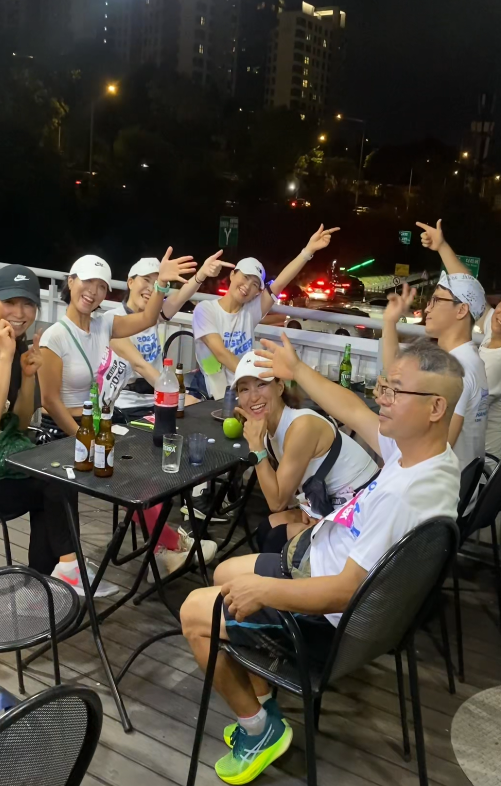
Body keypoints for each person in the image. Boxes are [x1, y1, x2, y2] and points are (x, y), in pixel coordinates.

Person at [181, 333, 462, 784]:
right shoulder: (425, 456)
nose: (381, 400)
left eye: (395, 392)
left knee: (195, 612)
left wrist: (266, 590)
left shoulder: (405, 496)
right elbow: (351, 408)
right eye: (384, 388)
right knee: (225, 572)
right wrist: (297, 370)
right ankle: (264, 701)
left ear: (435, 408)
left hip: (328, 618)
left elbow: (345, 592)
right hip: (317, 560)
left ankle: (258, 730)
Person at [0, 265, 95, 589]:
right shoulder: (5, 348)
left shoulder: (17, 345)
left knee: (57, 478)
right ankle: (66, 572)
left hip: (5, 467)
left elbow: (20, 423)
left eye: (28, 304)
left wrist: (28, 378)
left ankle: (46, 580)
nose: (19, 313)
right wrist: (4, 359)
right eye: (9, 302)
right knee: (54, 483)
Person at [231, 351, 378, 553]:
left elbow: (277, 502)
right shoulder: (268, 432)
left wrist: (256, 448)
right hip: (328, 502)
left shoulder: (301, 426)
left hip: (364, 508)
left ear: (280, 387)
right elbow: (289, 488)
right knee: (266, 527)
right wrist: (306, 505)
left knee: (276, 537)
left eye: (261, 384)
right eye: (244, 389)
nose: (253, 396)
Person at [38, 249, 197, 437]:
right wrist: (84, 437)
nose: (93, 291)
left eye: (101, 286)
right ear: (71, 282)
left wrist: (161, 284)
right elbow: (49, 401)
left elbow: (148, 318)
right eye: (88, 281)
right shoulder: (54, 336)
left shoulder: (104, 325)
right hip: (63, 431)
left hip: (99, 423)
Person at [381, 220, 488, 473]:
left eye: (436, 301)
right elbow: (395, 371)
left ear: (461, 310)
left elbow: (441, 448)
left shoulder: (459, 368)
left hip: (440, 488)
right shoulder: (457, 358)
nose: (427, 309)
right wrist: (389, 322)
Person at [192, 224, 339, 400]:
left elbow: (280, 283)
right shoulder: (205, 310)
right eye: (245, 277)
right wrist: (255, 380)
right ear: (232, 275)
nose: (247, 286)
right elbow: (221, 354)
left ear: (257, 292)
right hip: (210, 392)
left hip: (242, 391)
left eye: (255, 284)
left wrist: (308, 251)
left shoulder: (250, 311)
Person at [111, 252, 233, 406]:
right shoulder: (114, 320)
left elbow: (181, 296)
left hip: (154, 393)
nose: (150, 289)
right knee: (188, 405)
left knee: (196, 405)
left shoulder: (151, 316)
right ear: (130, 282)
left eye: (156, 284)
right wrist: (174, 393)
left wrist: (202, 273)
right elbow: (140, 365)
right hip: (126, 399)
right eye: (146, 280)